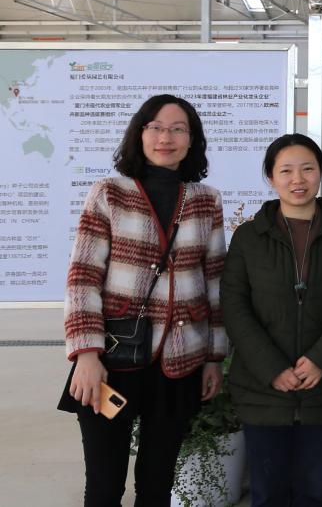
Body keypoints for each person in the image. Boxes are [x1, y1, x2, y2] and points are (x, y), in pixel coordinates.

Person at [59, 94, 227, 506]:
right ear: (140, 133)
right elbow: (83, 276)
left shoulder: (206, 199)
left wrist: (213, 357)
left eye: (177, 129)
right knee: (104, 486)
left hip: (178, 363)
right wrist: (86, 355)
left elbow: (215, 282)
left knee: (156, 486)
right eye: (155, 128)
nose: (165, 138)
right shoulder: (109, 193)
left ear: (191, 140)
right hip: (112, 361)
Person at [221, 134, 322, 507]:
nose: (297, 179)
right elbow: (234, 306)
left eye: (307, 169)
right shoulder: (248, 237)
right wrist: (271, 368)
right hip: (263, 389)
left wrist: (321, 359)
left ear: (320, 173)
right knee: (268, 493)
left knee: (317, 491)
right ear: (271, 177)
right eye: (286, 170)